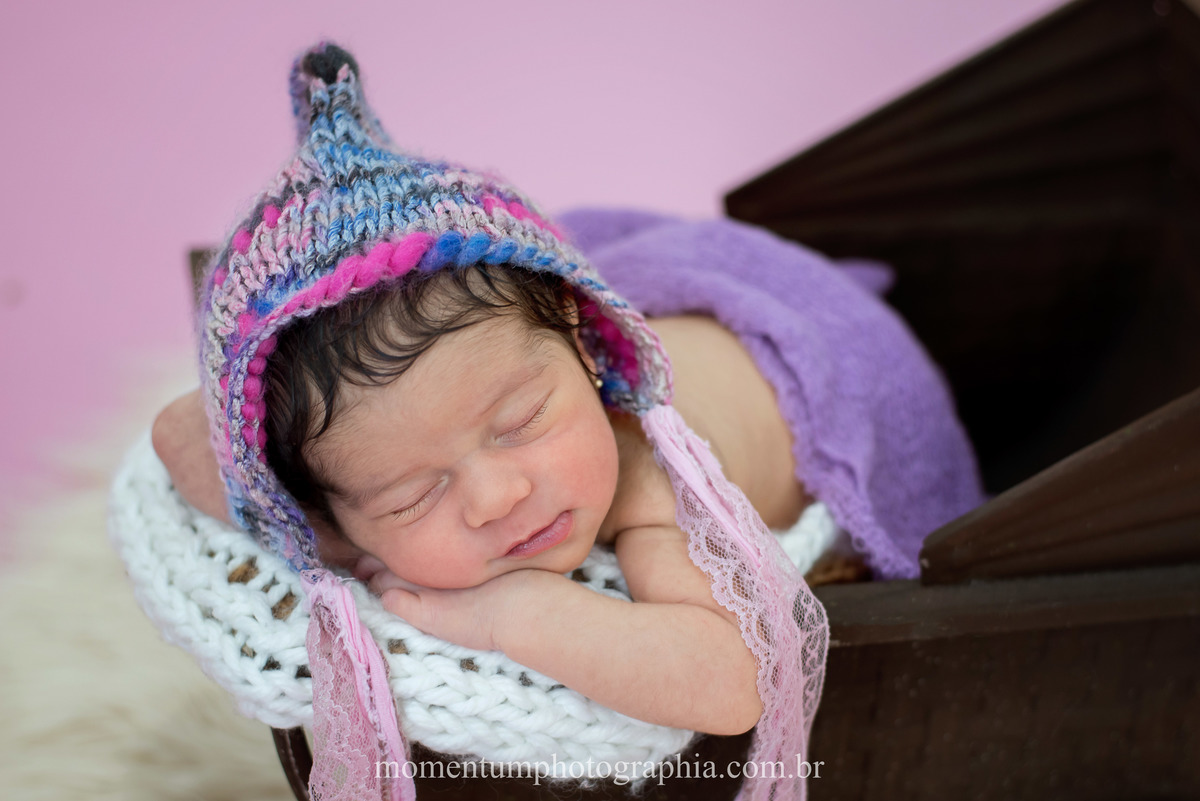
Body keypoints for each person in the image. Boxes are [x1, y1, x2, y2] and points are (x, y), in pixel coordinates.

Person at [153, 41, 981, 801]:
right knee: (462, 355)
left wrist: (508, 613)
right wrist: (310, 528)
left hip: (815, 357)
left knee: (486, 331)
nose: (495, 497)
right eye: (410, 494)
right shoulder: (389, 443)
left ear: (588, 354)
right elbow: (174, 435)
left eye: (520, 421)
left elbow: (732, 681)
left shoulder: (649, 477)